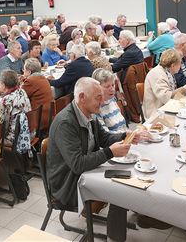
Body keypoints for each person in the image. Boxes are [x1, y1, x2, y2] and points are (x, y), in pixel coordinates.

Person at [47, 77, 145, 209]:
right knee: (120, 188)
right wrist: (110, 152)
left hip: (84, 172)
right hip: (68, 185)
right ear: (82, 97)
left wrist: (124, 136)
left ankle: (139, 212)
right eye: (98, 97)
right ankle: (117, 226)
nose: (103, 101)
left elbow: (103, 138)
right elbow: (78, 164)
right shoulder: (66, 123)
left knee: (127, 175)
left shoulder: (88, 113)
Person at [142, 49, 186, 119]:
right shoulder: (158, 74)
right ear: (173, 66)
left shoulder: (166, 71)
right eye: (180, 64)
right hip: (157, 113)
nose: (180, 67)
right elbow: (165, 98)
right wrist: (183, 89)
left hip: (166, 108)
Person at [0, 70, 31, 144]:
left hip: (14, 137)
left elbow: (2, 125)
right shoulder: (22, 91)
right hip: (26, 131)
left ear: (3, 84)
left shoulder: (6, 100)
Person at [21, 58, 53, 130]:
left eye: (24, 70)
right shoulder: (42, 78)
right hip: (47, 116)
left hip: (37, 119)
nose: (23, 72)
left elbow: (20, 95)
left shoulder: (31, 81)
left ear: (29, 71)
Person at [92, 68, 127, 133]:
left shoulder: (111, 99)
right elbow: (104, 134)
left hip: (124, 138)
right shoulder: (95, 108)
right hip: (114, 141)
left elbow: (123, 126)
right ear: (97, 88)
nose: (112, 89)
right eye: (107, 86)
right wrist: (126, 134)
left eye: (113, 85)